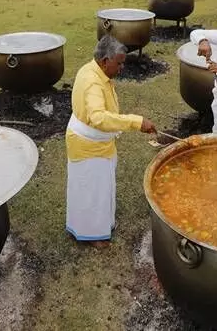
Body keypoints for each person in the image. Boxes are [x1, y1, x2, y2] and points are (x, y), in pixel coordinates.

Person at [65, 36, 157, 246]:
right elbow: (98, 117)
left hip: (95, 143)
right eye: (119, 63)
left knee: (96, 188)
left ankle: (93, 225)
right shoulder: (92, 82)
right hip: (89, 146)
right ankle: (93, 234)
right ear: (105, 61)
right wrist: (136, 121)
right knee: (92, 191)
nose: (122, 67)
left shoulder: (92, 70)